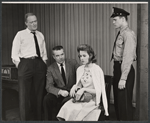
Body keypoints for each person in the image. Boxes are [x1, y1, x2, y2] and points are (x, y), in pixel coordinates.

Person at [57, 44, 109, 121]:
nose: (81, 58)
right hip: (81, 98)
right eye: (80, 56)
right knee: (66, 107)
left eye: (84, 56)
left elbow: (99, 91)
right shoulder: (80, 69)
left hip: (92, 100)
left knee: (78, 112)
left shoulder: (97, 69)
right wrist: (75, 86)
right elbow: (79, 85)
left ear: (90, 56)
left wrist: (84, 90)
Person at [11, 13, 48, 121]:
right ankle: (25, 120)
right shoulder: (20, 34)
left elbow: (44, 52)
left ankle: (38, 119)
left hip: (39, 64)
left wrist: (44, 63)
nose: (34, 24)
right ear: (26, 23)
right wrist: (20, 65)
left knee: (39, 93)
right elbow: (14, 53)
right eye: (31, 22)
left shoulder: (40, 35)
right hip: (25, 64)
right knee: (24, 95)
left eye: (35, 21)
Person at [110, 7, 137, 121]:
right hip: (118, 68)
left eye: (115, 19)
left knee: (124, 104)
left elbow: (128, 57)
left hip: (124, 69)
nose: (113, 22)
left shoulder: (128, 34)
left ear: (122, 18)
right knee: (118, 102)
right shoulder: (121, 33)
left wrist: (123, 78)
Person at [43, 45, 79, 120]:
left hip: (72, 92)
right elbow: (48, 86)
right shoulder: (50, 68)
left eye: (62, 54)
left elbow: (81, 74)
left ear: (64, 53)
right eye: (58, 55)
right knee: (47, 99)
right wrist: (59, 91)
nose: (61, 57)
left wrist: (75, 86)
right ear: (53, 57)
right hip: (59, 93)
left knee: (65, 102)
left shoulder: (73, 63)